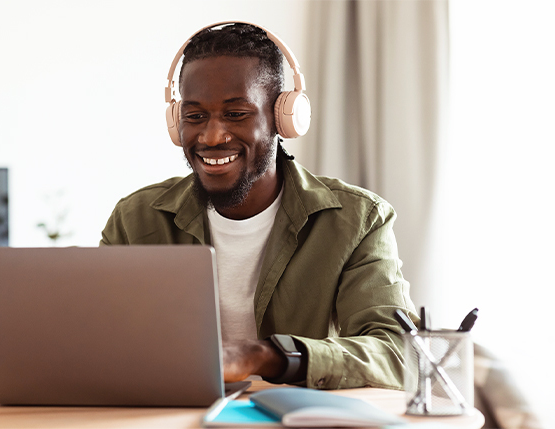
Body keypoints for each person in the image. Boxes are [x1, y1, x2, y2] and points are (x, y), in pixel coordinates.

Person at [100, 22, 418, 390]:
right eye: (194, 116)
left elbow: (397, 353)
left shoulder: (358, 220)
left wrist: (265, 356)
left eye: (236, 114)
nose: (212, 136)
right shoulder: (135, 219)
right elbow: (97, 339)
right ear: (176, 122)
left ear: (283, 118)